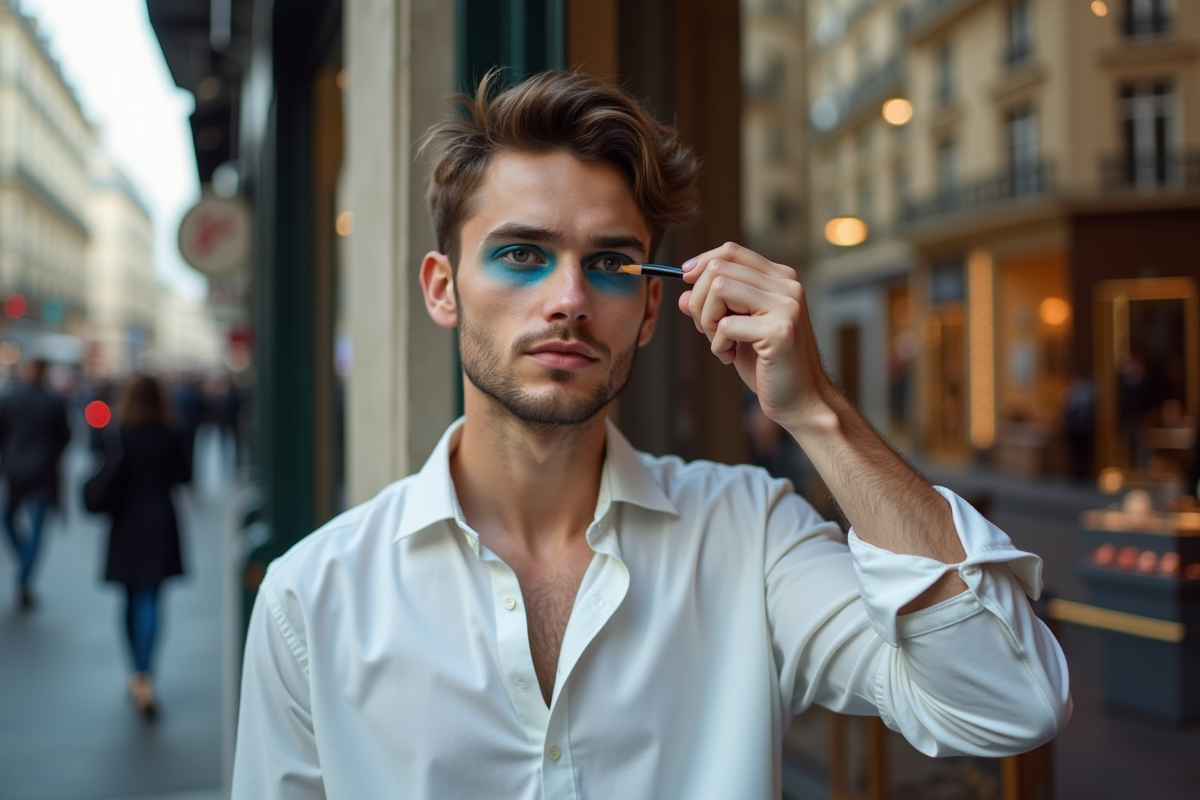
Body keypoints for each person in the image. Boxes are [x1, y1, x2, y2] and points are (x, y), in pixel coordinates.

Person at [232, 71, 1070, 798]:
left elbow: (1009, 699)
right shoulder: (314, 598)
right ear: (442, 288)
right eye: (522, 255)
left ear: (649, 312)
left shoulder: (749, 535)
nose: (569, 297)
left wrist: (816, 410)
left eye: (610, 264)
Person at [102, 374, 191, 717]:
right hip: (159, 520)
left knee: (128, 597)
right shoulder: (171, 433)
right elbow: (183, 474)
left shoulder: (119, 433)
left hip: (125, 522)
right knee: (151, 597)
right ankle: (145, 672)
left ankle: (135, 673)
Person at [0, 359, 71, 610]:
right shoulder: (53, 402)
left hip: (15, 469)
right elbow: (65, 437)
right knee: (37, 529)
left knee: (8, 518)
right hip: (42, 470)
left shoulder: (9, 399)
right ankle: (25, 572)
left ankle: (23, 564)